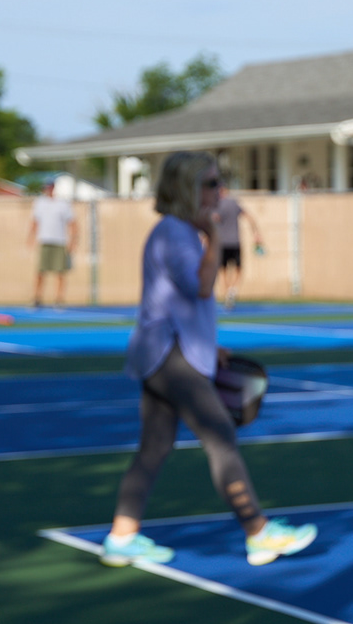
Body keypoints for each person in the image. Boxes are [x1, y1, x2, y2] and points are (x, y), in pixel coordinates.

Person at [102, 151, 317, 568]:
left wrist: (209, 347)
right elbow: (201, 287)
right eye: (210, 183)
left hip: (166, 351)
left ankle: (122, 535)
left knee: (154, 447)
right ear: (186, 188)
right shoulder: (175, 233)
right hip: (170, 357)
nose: (219, 190)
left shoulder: (177, 232)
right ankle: (258, 532)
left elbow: (182, 305)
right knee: (220, 436)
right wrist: (215, 236)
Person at [27, 178, 77, 307]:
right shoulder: (39, 203)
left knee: (60, 272)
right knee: (40, 271)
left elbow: (72, 223)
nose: (47, 190)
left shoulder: (63, 204)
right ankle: (37, 298)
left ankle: (59, 299)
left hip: (59, 241)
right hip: (44, 240)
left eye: (49, 187)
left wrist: (73, 241)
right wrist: (30, 238)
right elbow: (35, 222)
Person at [214, 182, 263, 310]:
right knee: (238, 269)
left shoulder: (217, 205)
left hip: (222, 243)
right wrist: (256, 233)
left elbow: (212, 221)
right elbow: (250, 217)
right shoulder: (234, 203)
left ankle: (227, 294)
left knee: (223, 270)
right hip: (234, 242)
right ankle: (232, 290)